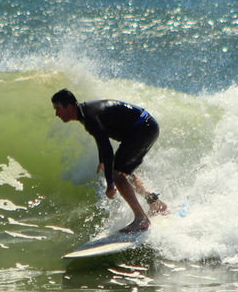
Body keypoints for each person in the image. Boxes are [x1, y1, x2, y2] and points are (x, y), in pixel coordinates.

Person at [52, 88, 168, 232]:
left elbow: (107, 147)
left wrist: (110, 183)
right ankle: (155, 203)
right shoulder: (86, 113)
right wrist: (103, 161)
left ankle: (141, 218)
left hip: (143, 128)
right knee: (124, 173)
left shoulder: (88, 116)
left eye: (58, 109)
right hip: (146, 127)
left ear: (69, 107)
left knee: (117, 175)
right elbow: (102, 140)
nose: (56, 114)